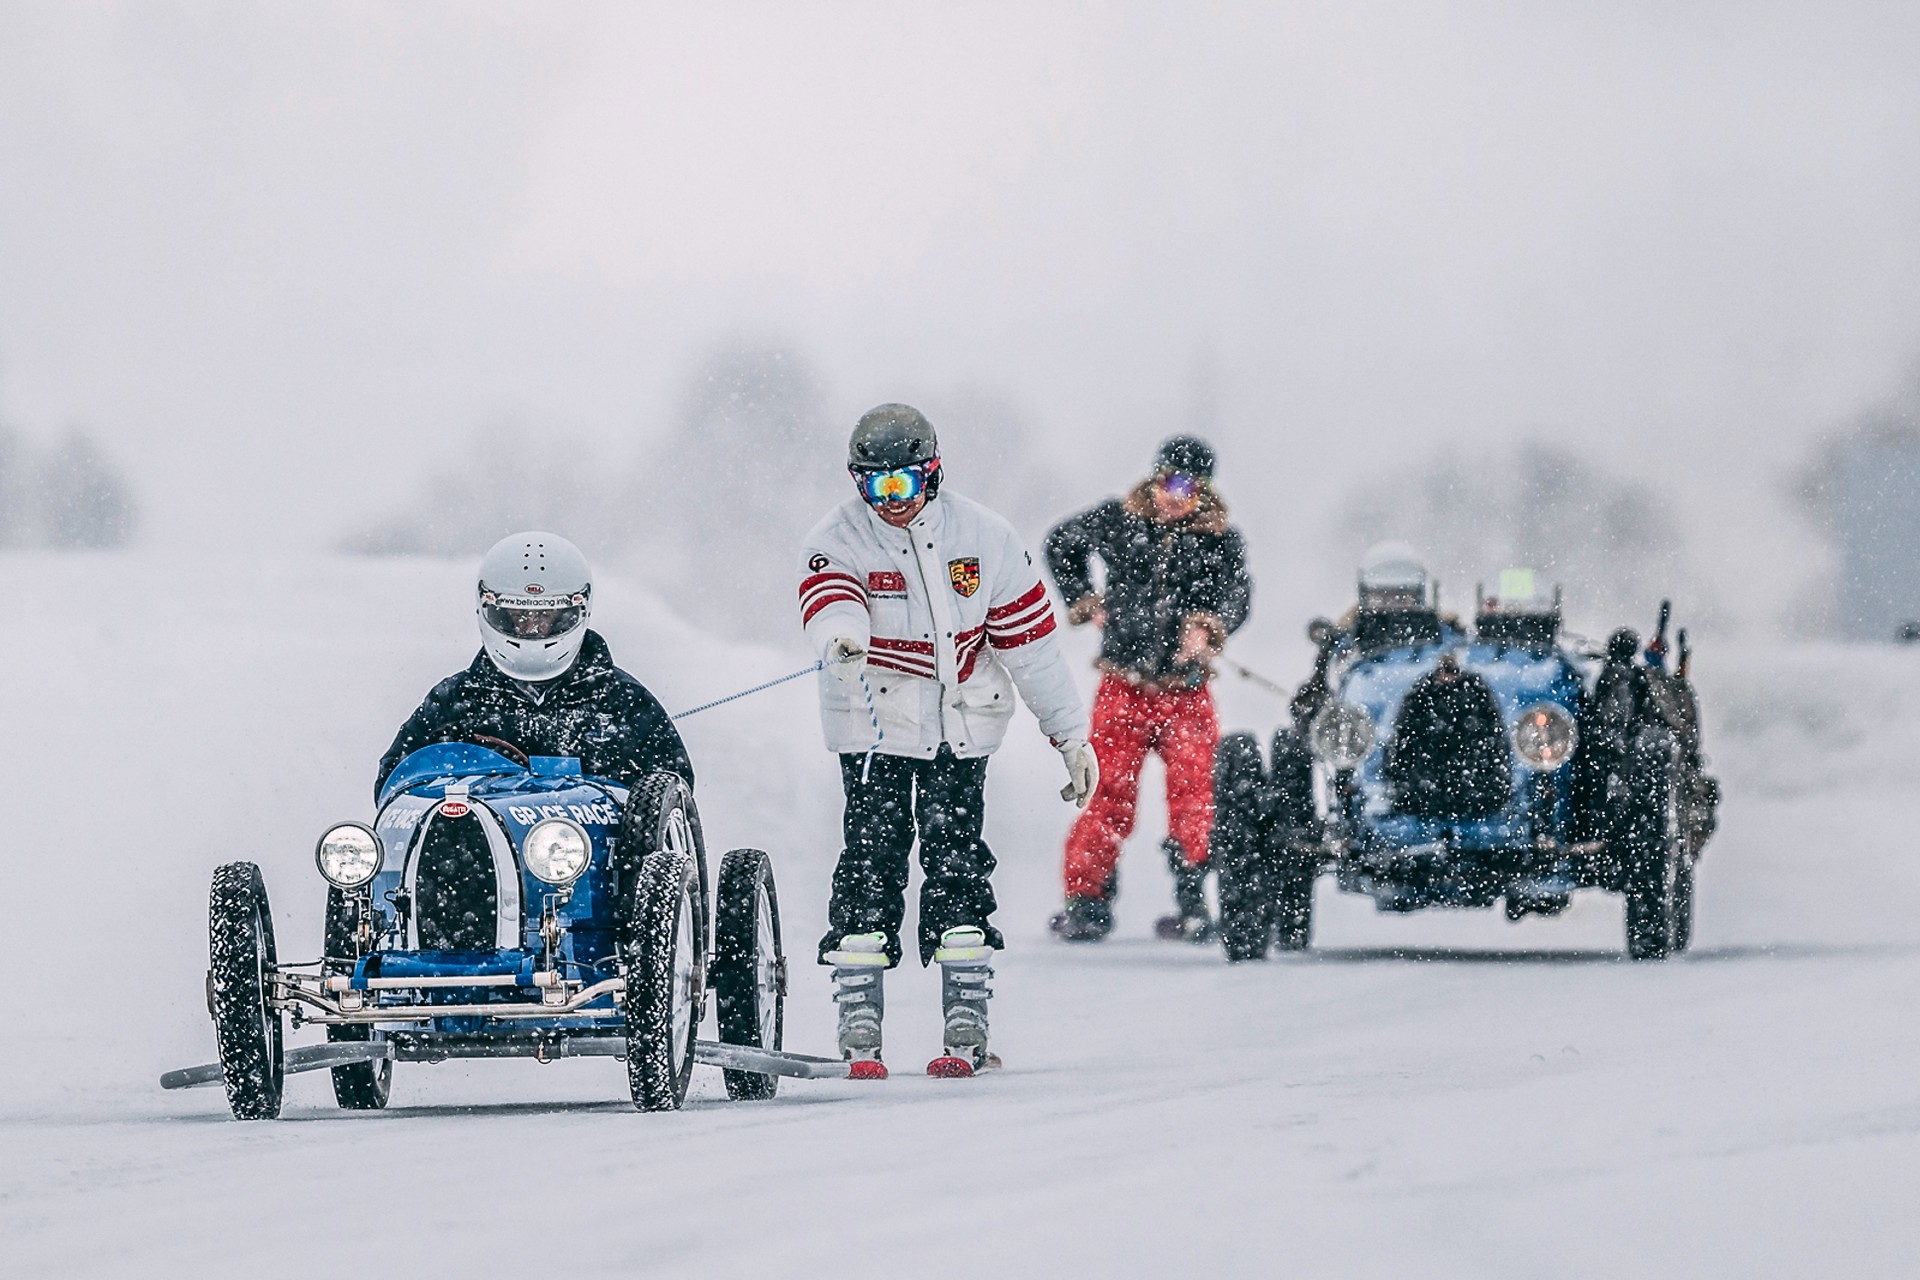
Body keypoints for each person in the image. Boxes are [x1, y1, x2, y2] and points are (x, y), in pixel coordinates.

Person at [797, 404, 1094, 1078]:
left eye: (901, 484)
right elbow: (829, 596)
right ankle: (859, 1017)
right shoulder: (837, 539)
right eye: (873, 485)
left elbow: (1032, 649)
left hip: (960, 731)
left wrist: (1069, 736)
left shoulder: (985, 538)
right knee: (870, 861)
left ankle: (966, 1013)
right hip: (873, 728)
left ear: (930, 474)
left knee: (957, 860)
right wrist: (840, 639)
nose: (888, 500)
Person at [1043, 435, 1252, 943]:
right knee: (1105, 792)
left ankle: (1195, 902)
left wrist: (1210, 626)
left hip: (1187, 694)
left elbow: (1238, 596)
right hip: (1124, 688)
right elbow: (1061, 544)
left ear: (1204, 491)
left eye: (1189, 487)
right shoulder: (1119, 520)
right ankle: (1086, 901)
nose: (1176, 495)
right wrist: (1084, 599)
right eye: (1169, 482)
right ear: (1155, 479)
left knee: (1198, 796)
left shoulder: (1221, 541)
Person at [377, 531, 691, 799]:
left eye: (545, 615)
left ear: (575, 610)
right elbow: (395, 784)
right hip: (478, 849)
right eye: (517, 615)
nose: (531, 628)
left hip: (592, 852)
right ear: (490, 609)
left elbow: (672, 795)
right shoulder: (456, 700)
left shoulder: (622, 700)